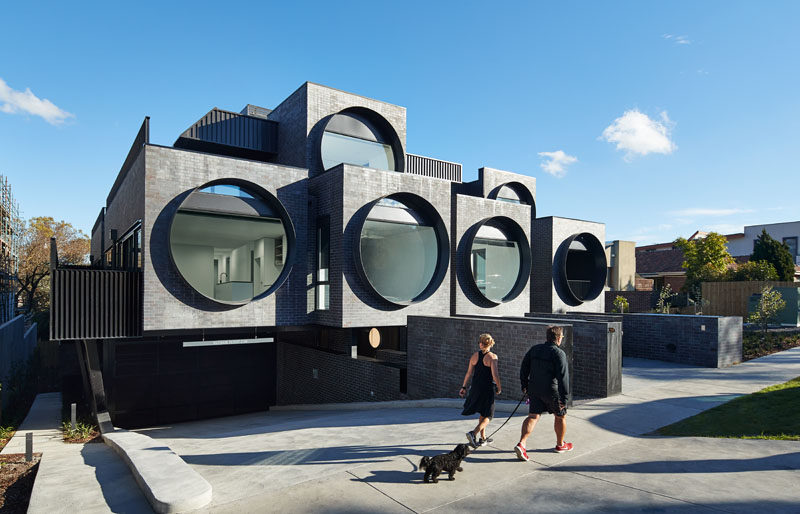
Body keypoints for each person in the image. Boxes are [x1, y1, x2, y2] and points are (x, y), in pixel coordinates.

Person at [514, 325, 572, 461]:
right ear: (558, 338)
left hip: (534, 389)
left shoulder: (535, 349)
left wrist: (524, 385)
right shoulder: (559, 353)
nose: (561, 339)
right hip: (552, 391)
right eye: (561, 337)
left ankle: (522, 444)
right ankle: (560, 445)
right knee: (560, 416)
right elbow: (563, 377)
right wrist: (564, 399)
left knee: (533, 416)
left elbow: (524, 367)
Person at [459, 333, 502, 448]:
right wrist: (499, 387)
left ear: (481, 343)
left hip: (475, 388)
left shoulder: (474, 356)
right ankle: (473, 433)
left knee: (483, 413)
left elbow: (468, 373)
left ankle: (483, 438)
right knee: (489, 415)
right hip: (487, 389)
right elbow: (495, 375)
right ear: (490, 343)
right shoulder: (492, 357)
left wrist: (463, 387)